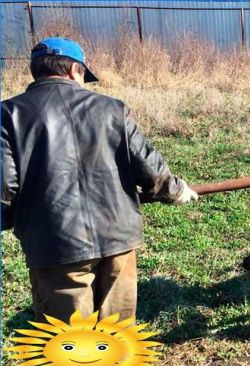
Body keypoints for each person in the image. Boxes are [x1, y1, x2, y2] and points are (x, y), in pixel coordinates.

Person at [1, 37, 199, 323]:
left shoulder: (8, 115)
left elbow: (5, 187)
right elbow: (148, 165)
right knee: (117, 330)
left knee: (68, 339)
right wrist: (176, 191)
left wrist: (12, 221)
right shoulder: (112, 109)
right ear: (75, 71)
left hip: (55, 244)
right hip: (118, 236)